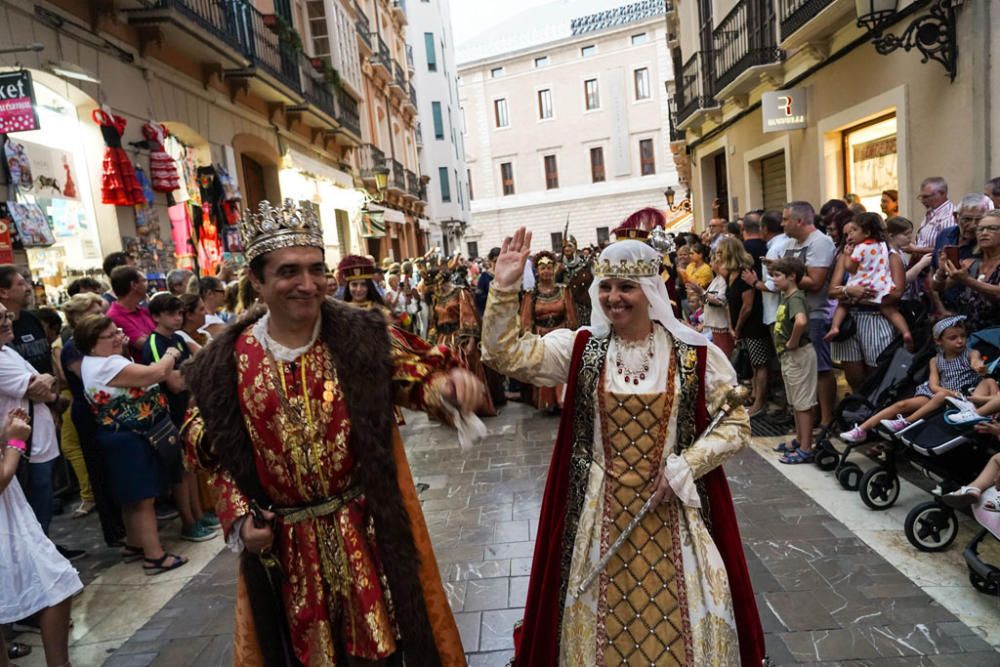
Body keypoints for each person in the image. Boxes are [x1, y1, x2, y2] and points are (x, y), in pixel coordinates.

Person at [181, 199, 479, 665]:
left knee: (385, 651)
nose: (307, 284)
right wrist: (239, 519)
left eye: (316, 269)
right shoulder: (225, 361)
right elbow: (205, 443)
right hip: (285, 547)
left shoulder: (360, 333)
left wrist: (448, 389)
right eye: (288, 272)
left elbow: (416, 377)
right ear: (257, 281)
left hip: (367, 533)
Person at [481, 226, 764, 667]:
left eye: (626, 287)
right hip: (598, 513)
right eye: (606, 286)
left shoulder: (694, 355)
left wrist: (686, 466)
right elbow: (504, 355)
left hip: (671, 510)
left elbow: (736, 424)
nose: (614, 297)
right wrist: (503, 288)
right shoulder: (580, 348)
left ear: (650, 289)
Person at [77, 314, 188, 573]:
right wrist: (171, 353)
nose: (118, 337)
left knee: (132, 497)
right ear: (93, 344)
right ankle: (155, 556)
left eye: (117, 331)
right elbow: (156, 373)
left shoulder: (96, 361)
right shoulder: (106, 364)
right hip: (130, 437)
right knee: (143, 498)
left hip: (120, 436)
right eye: (111, 335)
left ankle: (136, 543)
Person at [0, 407, 82, 667]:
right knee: (56, 581)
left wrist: (5, 435)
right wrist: (14, 443)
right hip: (6, 522)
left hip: (10, 516)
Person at [840, 316, 997, 442]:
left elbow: (977, 362)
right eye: (953, 338)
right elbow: (934, 385)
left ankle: (906, 421)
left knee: (940, 396)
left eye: (963, 336)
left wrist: (978, 367)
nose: (960, 341)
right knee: (901, 404)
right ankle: (862, 429)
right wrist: (947, 392)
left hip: (958, 397)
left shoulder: (970, 354)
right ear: (938, 341)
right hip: (937, 393)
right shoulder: (935, 360)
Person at [142, 293, 215, 542]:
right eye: (172, 314)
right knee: (180, 473)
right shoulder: (155, 343)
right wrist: (190, 375)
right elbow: (173, 382)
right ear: (156, 317)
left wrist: (190, 375)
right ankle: (188, 521)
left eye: (180, 313)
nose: (177, 318)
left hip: (186, 410)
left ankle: (198, 513)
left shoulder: (177, 339)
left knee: (191, 466)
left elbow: (201, 366)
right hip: (169, 413)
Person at [61, 293, 124, 544]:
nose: (101, 316)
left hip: (104, 409)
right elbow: (91, 380)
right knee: (99, 470)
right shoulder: (73, 348)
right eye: (94, 311)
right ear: (77, 316)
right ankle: (114, 529)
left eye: (101, 310)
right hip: (88, 412)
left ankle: (124, 525)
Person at [782, 201, 837, 431]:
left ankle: (826, 419)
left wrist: (784, 275)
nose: (782, 223)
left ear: (800, 221)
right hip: (796, 312)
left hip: (816, 313)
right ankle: (810, 416)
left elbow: (815, 282)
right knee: (805, 369)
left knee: (821, 368)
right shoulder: (792, 244)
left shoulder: (820, 243)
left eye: (785, 219)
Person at [825, 213, 912, 348]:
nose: (849, 238)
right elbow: (831, 291)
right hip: (850, 320)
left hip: (875, 318)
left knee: (877, 366)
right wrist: (849, 290)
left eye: (853, 231)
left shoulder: (888, 254)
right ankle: (905, 331)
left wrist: (855, 297)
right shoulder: (850, 254)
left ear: (867, 233)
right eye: (846, 235)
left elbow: (897, 293)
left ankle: (834, 327)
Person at [768, 258, 817, 464]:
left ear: (792, 277)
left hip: (798, 355)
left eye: (777, 275)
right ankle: (800, 439)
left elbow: (801, 321)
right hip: (790, 357)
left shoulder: (796, 298)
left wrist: (793, 342)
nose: (773, 280)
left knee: (803, 403)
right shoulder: (787, 296)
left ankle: (806, 447)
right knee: (796, 402)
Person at [718, 237, 771, 417]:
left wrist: (738, 327)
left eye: (720, 252)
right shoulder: (729, 274)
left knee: (759, 363)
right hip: (741, 326)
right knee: (754, 364)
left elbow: (747, 305)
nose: (717, 257)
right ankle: (756, 396)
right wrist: (732, 326)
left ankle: (760, 401)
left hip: (753, 325)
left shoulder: (744, 273)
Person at [519, 251, 577, 412]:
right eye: (543, 268)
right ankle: (548, 402)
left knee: (563, 366)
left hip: (561, 335)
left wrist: (572, 334)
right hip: (541, 337)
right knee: (546, 368)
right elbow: (526, 319)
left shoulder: (563, 290)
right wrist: (528, 340)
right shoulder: (531, 295)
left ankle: (564, 400)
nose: (546, 271)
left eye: (549, 268)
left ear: (554, 269)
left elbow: (570, 314)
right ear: (537, 271)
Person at [936, 209, 1000, 332]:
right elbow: (939, 287)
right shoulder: (970, 263)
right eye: (980, 229)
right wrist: (941, 271)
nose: (984, 233)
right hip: (970, 337)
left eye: (992, 228)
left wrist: (967, 280)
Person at [931, 194, 993, 313]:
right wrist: (941, 309)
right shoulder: (945, 235)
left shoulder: (989, 245)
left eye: (979, 220)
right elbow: (933, 272)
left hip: (977, 311)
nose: (973, 225)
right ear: (956, 217)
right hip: (945, 308)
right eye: (967, 219)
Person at [106, 266, 155, 358]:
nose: (147, 284)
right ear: (133, 285)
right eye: (143, 281)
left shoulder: (142, 310)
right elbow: (145, 345)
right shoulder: (115, 316)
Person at [911, 176, 956, 257]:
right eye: (921, 197)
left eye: (927, 197)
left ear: (942, 193)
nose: (923, 201)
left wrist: (916, 249)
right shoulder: (931, 212)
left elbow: (946, 249)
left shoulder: (949, 216)